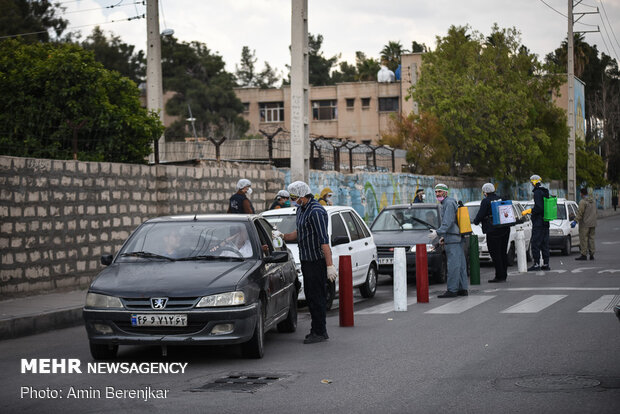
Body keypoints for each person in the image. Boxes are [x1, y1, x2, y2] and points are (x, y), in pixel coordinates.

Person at [280, 181, 337, 344]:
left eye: (293, 197)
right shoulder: (301, 209)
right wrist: (282, 236)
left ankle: (320, 331)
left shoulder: (316, 211)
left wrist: (329, 265)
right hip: (305, 259)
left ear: (302, 196)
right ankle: (316, 329)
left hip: (316, 261)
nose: (292, 200)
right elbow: (299, 232)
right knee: (310, 296)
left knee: (317, 297)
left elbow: (323, 240)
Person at [428, 183, 469, 298]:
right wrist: (443, 237)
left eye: (440, 191)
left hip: (453, 239)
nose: (437, 194)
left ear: (445, 192)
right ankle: (462, 288)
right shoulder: (448, 202)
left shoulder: (449, 203)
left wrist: (438, 232)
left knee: (453, 265)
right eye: (436, 192)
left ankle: (452, 290)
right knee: (460, 265)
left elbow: (448, 221)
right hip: (454, 237)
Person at [473, 183, 510, 283]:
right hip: (505, 229)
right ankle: (504, 275)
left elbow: (481, 214)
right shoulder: (501, 198)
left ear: (485, 192)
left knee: (494, 253)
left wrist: (476, 221)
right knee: (503, 252)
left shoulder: (486, 201)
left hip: (493, 230)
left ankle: (499, 276)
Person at [522, 174, 551, 271]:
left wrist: (530, 211)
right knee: (544, 243)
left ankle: (536, 264)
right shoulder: (545, 191)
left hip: (539, 222)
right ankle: (546, 264)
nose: (531, 184)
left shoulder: (538, 192)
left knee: (535, 243)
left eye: (531, 182)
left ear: (534, 182)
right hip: (545, 221)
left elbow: (539, 207)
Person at [573, 187, 597, 260]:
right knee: (591, 239)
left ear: (581, 193)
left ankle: (584, 254)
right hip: (593, 223)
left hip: (585, 224)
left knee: (584, 239)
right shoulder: (593, 201)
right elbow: (596, 212)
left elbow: (580, 213)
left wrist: (575, 220)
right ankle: (592, 254)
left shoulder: (582, 202)